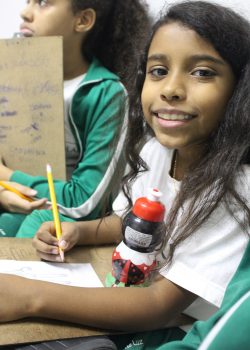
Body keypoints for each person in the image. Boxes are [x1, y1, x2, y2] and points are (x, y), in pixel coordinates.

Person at [0, 1, 250, 349]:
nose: (171, 89)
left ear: (240, 90)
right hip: (130, 288)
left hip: (175, 329)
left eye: (203, 72)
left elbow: (159, 307)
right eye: (159, 70)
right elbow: (131, 221)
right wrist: (80, 231)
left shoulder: (237, 190)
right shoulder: (157, 152)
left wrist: (29, 296)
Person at [0, 0, 151, 237]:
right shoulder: (9, 80)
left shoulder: (105, 94)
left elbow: (85, 202)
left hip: (53, 226)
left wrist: (6, 176)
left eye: (42, 3)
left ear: (83, 20)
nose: (25, 13)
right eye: (27, 1)